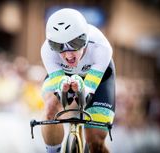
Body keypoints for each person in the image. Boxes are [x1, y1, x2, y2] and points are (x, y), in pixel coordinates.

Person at [40, 8, 116, 153]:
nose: (68, 54)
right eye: (58, 46)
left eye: (75, 43)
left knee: (96, 143)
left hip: (99, 78)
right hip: (65, 75)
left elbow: (87, 91)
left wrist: (79, 90)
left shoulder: (102, 47)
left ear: (85, 38)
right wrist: (64, 91)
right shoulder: (47, 51)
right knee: (51, 106)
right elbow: (60, 88)